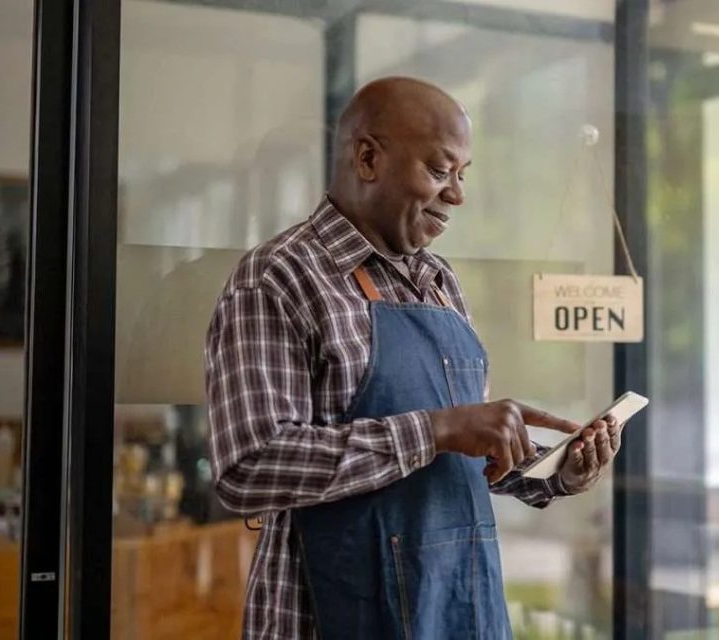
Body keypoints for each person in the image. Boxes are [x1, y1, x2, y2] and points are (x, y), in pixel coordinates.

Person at [205, 76, 621, 640]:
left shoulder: (439, 281)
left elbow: (462, 459)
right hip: (326, 617)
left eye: (463, 175)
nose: (458, 195)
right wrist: (439, 428)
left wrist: (555, 472)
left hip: (456, 610)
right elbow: (249, 466)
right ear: (369, 157)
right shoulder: (277, 278)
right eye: (440, 170)